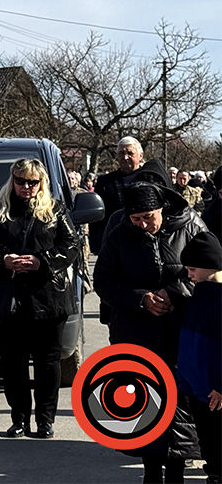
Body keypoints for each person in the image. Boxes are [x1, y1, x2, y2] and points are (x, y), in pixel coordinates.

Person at [95, 182, 204, 484]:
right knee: (145, 400)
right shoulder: (118, 235)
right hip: (135, 330)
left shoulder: (191, 226)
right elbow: (103, 280)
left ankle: (178, 471)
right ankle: (151, 470)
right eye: (136, 219)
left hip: (182, 328)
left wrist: (174, 292)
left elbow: (211, 269)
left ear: (162, 210)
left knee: (181, 399)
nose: (144, 225)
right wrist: (140, 298)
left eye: (148, 217)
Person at [0, 158, 79, 440]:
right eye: (21, 181)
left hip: (48, 295)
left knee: (47, 361)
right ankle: (19, 419)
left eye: (33, 182)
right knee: (13, 362)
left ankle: (45, 421)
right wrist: (2, 259)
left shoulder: (54, 210)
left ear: (41, 183)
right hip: (10, 296)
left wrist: (41, 261)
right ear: (12, 181)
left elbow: (71, 245)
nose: (27, 187)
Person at [177, 233, 222, 484]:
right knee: (207, 438)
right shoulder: (199, 294)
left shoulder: (217, 300)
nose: (188, 274)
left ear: (210, 266)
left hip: (215, 390)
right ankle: (214, 473)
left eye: (192, 269)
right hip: (196, 388)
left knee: (217, 439)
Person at [90, 137, 170, 254]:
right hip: (116, 239)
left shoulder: (150, 178)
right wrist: (96, 243)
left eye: (130, 153)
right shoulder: (105, 182)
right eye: (121, 153)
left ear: (140, 155)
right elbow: (97, 216)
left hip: (149, 237)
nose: (125, 157)